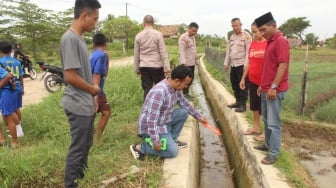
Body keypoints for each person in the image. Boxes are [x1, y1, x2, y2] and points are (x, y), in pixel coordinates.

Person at [60, 0, 101, 187]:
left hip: (85, 103)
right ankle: (71, 184)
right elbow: (70, 76)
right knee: (78, 148)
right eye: (95, 18)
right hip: (76, 104)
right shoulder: (69, 39)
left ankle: (82, 176)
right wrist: (93, 89)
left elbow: (83, 72)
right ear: (84, 16)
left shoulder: (80, 39)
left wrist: (92, 98)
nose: (96, 22)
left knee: (86, 143)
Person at [130, 65, 207, 160]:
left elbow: (184, 103)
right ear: (177, 81)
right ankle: (140, 148)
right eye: (185, 84)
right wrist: (156, 140)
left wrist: (199, 117)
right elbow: (151, 120)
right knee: (173, 152)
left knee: (183, 112)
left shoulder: (175, 88)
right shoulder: (160, 92)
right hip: (152, 127)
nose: (185, 87)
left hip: (164, 121)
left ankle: (172, 140)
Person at [253, 12, 290, 165]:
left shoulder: (280, 41)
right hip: (267, 89)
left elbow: (282, 64)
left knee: (274, 123)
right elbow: (269, 67)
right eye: (259, 31)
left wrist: (274, 86)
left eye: (263, 30)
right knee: (267, 119)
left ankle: (274, 153)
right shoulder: (270, 41)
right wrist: (263, 85)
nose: (261, 33)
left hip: (275, 90)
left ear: (273, 25)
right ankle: (267, 144)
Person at [239, 22, 267, 141]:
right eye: (252, 32)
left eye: (255, 31)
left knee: (265, 108)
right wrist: (243, 78)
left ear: (262, 31)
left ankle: (266, 132)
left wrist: (265, 82)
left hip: (264, 82)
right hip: (253, 80)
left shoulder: (268, 44)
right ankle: (256, 127)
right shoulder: (253, 45)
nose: (253, 34)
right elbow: (250, 63)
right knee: (255, 105)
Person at [134, 15, 170, 100]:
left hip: (144, 66)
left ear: (143, 23)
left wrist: (137, 69)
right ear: (153, 23)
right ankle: (160, 106)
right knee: (160, 88)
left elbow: (136, 54)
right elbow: (163, 52)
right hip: (156, 66)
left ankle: (147, 108)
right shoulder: (158, 34)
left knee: (147, 88)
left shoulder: (138, 36)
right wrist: (167, 68)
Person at [224, 18, 252, 112]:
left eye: (237, 25)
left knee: (243, 85)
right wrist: (226, 63)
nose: (235, 27)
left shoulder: (246, 36)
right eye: (233, 26)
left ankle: (243, 105)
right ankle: (237, 102)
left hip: (242, 65)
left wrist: (246, 65)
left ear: (241, 24)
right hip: (234, 65)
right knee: (234, 84)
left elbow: (248, 52)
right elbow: (228, 51)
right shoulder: (232, 37)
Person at [0, 40, 23, 148]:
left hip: (7, 90)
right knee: (16, 108)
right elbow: (21, 76)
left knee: (8, 115)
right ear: (11, 49)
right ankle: (19, 129)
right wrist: (22, 88)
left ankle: (15, 138)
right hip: (16, 87)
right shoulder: (17, 62)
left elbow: (7, 76)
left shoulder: (1, 62)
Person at [90, 33, 111, 140]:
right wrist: (95, 97)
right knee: (106, 112)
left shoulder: (93, 54)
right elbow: (97, 76)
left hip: (91, 89)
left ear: (93, 44)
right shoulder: (101, 56)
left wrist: (108, 60)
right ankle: (96, 138)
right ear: (105, 43)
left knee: (92, 114)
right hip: (96, 90)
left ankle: (91, 136)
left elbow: (104, 74)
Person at [178, 22, 199, 99]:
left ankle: (186, 93)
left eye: (196, 31)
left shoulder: (193, 38)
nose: (194, 33)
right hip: (186, 64)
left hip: (192, 62)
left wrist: (196, 61)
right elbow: (182, 51)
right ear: (189, 28)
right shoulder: (183, 37)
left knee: (191, 79)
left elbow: (194, 50)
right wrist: (183, 64)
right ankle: (184, 94)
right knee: (185, 80)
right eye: (193, 31)